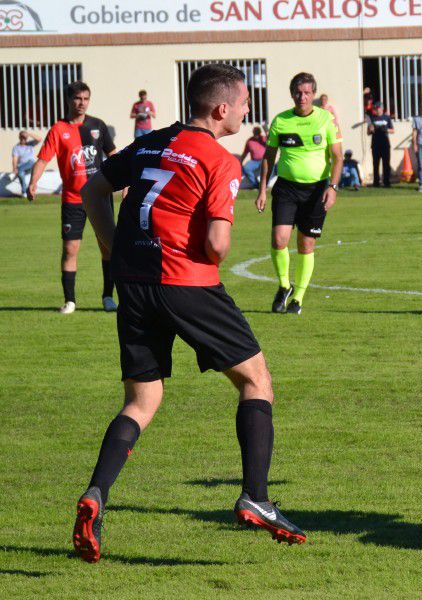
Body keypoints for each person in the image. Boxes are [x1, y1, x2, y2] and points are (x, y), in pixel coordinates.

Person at [73, 64, 308, 564]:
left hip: (134, 285)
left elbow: (94, 189)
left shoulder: (153, 141)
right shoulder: (221, 162)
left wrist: (113, 248)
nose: (247, 111)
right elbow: (217, 247)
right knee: (256, 380)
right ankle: (256, 497)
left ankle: (95, 495)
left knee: (141, 400)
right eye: (244, 103)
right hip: (187, 285)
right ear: (222, 109)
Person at [256, 72, 343, 316]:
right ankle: (284, 285)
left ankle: (298, 297)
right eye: (298, 92)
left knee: (306, 244)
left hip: (316, 190)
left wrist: (333, 188)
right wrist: (263, 189)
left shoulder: (326, 119)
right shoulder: (281, 121)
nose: (302, 97)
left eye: (307, 93)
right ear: (292, 93)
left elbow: (337, 157)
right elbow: (269, 157)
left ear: (313, 95)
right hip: (286, 188)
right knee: (279, 239)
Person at [28, 81, 117, 314]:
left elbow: (114, 154)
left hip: (100, 197)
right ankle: (70, 301)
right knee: (70, 249)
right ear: (69, 100)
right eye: (78, 98)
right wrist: (33, 182)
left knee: (108, 247)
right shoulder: (58, 130)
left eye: (86, 98)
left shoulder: (98, 126)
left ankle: (108, 297)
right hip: (73, 199)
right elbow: (42, 159)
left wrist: (125, 180)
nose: (82, 103)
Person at [367, 102, 393, 188]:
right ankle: (376, 182)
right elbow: (368, 132)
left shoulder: (387, 118)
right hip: (375, 144)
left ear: (382, 108)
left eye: (378, 108)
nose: (377, 110)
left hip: (385, 144)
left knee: (386, 164)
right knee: (376, 164)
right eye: (375, 108)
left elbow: (392, 130)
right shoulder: (372, 118)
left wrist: (386, 129)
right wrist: (371, 130)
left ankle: (386, 182)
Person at [12, 130, 41, 197]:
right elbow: (15, 159)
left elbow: (39, 139)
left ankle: (27, 190)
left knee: (25, 166)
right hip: (22, 166)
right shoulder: (16, 147)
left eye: (24, 138)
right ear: (19, 137)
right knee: (20, 174)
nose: (23, 139)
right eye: (22, 137)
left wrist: (28, 134)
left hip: (31, 164)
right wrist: (14, 168)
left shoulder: (30, 144)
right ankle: (24, 192)